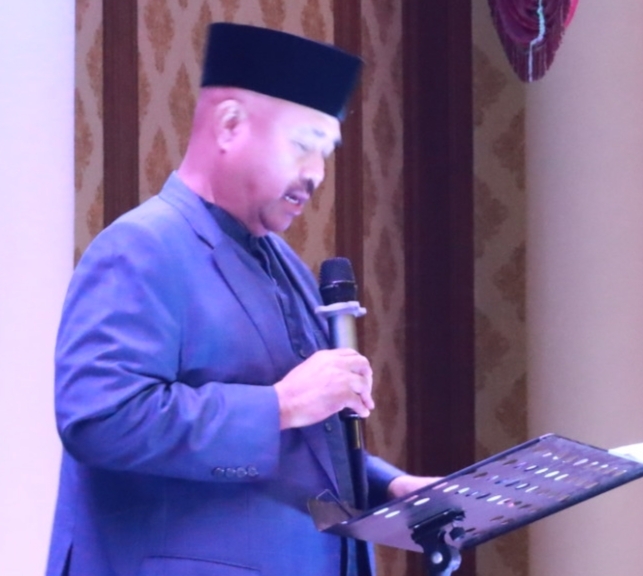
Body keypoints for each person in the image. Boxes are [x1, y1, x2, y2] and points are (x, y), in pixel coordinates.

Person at [47, 22, 431, 576]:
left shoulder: (285, 264)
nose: (316, 174)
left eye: (326, 152)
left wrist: (390, 487)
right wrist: (281, 404)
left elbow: (294, 443)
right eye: (303, 144)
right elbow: (102, 419)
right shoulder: (141, 247)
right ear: (229, 125)